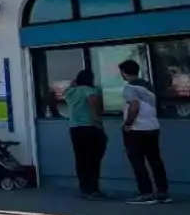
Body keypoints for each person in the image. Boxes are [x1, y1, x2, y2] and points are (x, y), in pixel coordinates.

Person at [119, 60, 170, 204]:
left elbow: (134, 106)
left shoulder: (130, 87)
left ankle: (145, 193)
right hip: (153, 127)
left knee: (138, 162)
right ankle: (162, 192)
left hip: (137, 129)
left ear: (124, 72)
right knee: (155, 160)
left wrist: (128, 123)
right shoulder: (148, 86)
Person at [64, 69, 107, 199]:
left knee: (80, 159)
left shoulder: (70, 93)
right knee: (94, 159)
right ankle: (93, 189)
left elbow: (67, 93)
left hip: (75, 128)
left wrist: (73, 84)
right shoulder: (89, 90)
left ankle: (84, 188)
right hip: (90, 126)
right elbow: (94, 103)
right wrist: (97, 120)